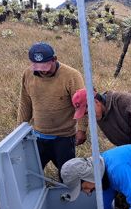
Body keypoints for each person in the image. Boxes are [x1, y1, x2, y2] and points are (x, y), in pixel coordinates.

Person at [18, 42, 87, 173]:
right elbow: (25, 102)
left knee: (67, 175)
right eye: (37, 67)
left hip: (64, 138)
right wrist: (19, 130)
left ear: (54, 59)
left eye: (45, 66)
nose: (43, 70)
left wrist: (82, 130)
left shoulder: (72, 75)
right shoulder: (28, 74)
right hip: (37, 136)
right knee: (32, 173)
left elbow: (82, 103)